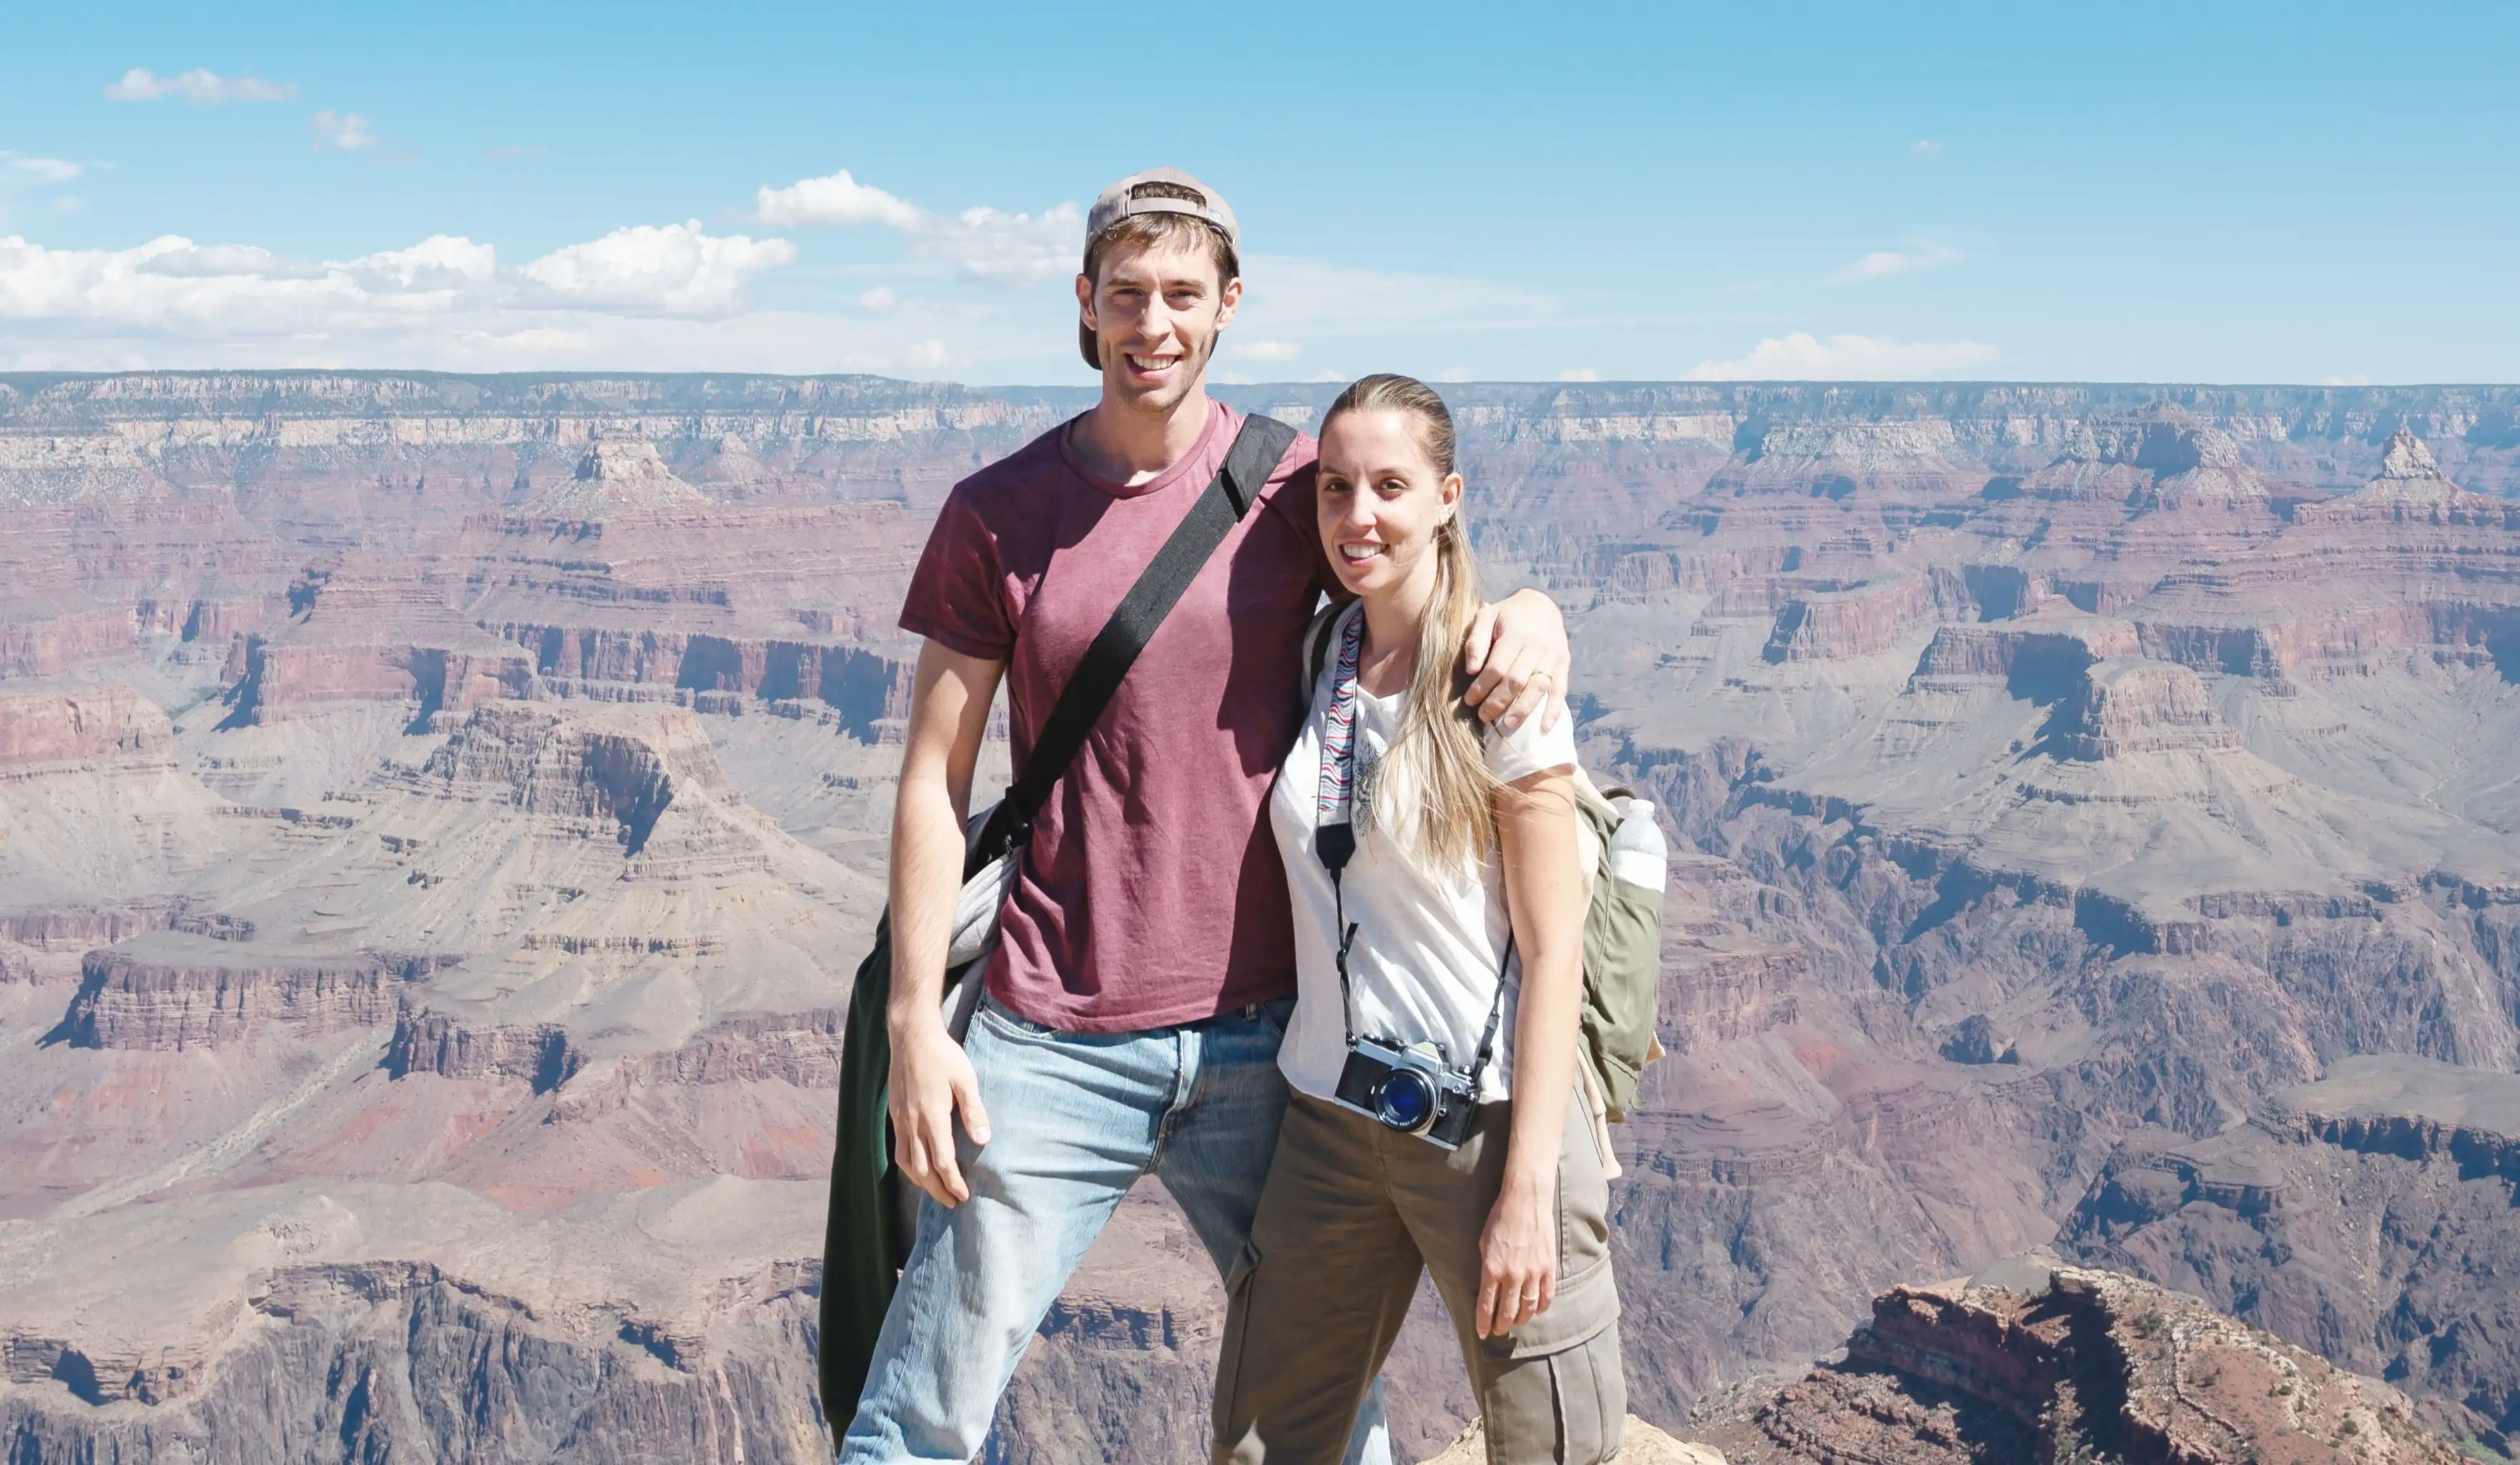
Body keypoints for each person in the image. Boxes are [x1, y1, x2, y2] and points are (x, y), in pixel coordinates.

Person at [837, 170, 1570, 1461]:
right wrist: (913, 1019)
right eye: (1128, 294)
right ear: (1083, 304)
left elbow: (1417, 562)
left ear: (1229, 305)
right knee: (920, 1418)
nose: (1154, 323)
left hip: (1276, 1044)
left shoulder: (1293, 486)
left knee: (1326, 1411)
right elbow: (931, 782)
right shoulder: (995, 516)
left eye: (1184, 293)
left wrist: (1537, 614)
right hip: (1050, 1036)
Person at [1212, 375, 1625, 1464]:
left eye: (1390, 486)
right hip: (1328, 1123)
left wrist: (1529, 1189)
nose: (1360, 517)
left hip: (1485, 1132)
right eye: (1337, 488)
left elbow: (1554, 950)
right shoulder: (1320, 656)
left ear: (1448, 495)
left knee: (1550, 1447)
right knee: (1261, 1443)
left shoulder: (1500, 682)